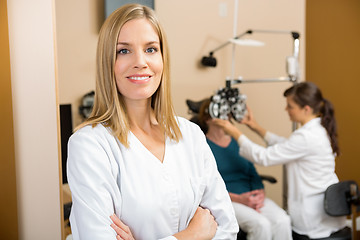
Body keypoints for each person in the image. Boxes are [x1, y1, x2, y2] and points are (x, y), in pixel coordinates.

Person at [66, 4, 238, 240]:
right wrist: (192, 235)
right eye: (123, 51)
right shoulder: (89, 145)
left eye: (151, 49)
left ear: (163, 58)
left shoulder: (191, 134)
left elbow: (226, 229)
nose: (140, 62)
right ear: (107, 62)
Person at [212, 81, 347, 239]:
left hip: (314, 216)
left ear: (306, 109)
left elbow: (264, 157)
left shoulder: (307, 137)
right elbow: (286, 146)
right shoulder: (317, 130)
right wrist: (254, 126)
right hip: (324, 209)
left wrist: (235, 132)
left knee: (276, 221)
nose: (286, 109)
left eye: (290, 106)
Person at [197, 98, 292, 240]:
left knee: (283, 220)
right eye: (219, 113)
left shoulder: (237, 142)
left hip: (251, 197)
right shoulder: (202, 146)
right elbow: (205, 187)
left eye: (227, 113)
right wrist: (239, 199)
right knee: (261, 225)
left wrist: (259, 192)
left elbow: (252, 171)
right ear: (207, 119)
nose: (225, 117)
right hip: (230, 200)